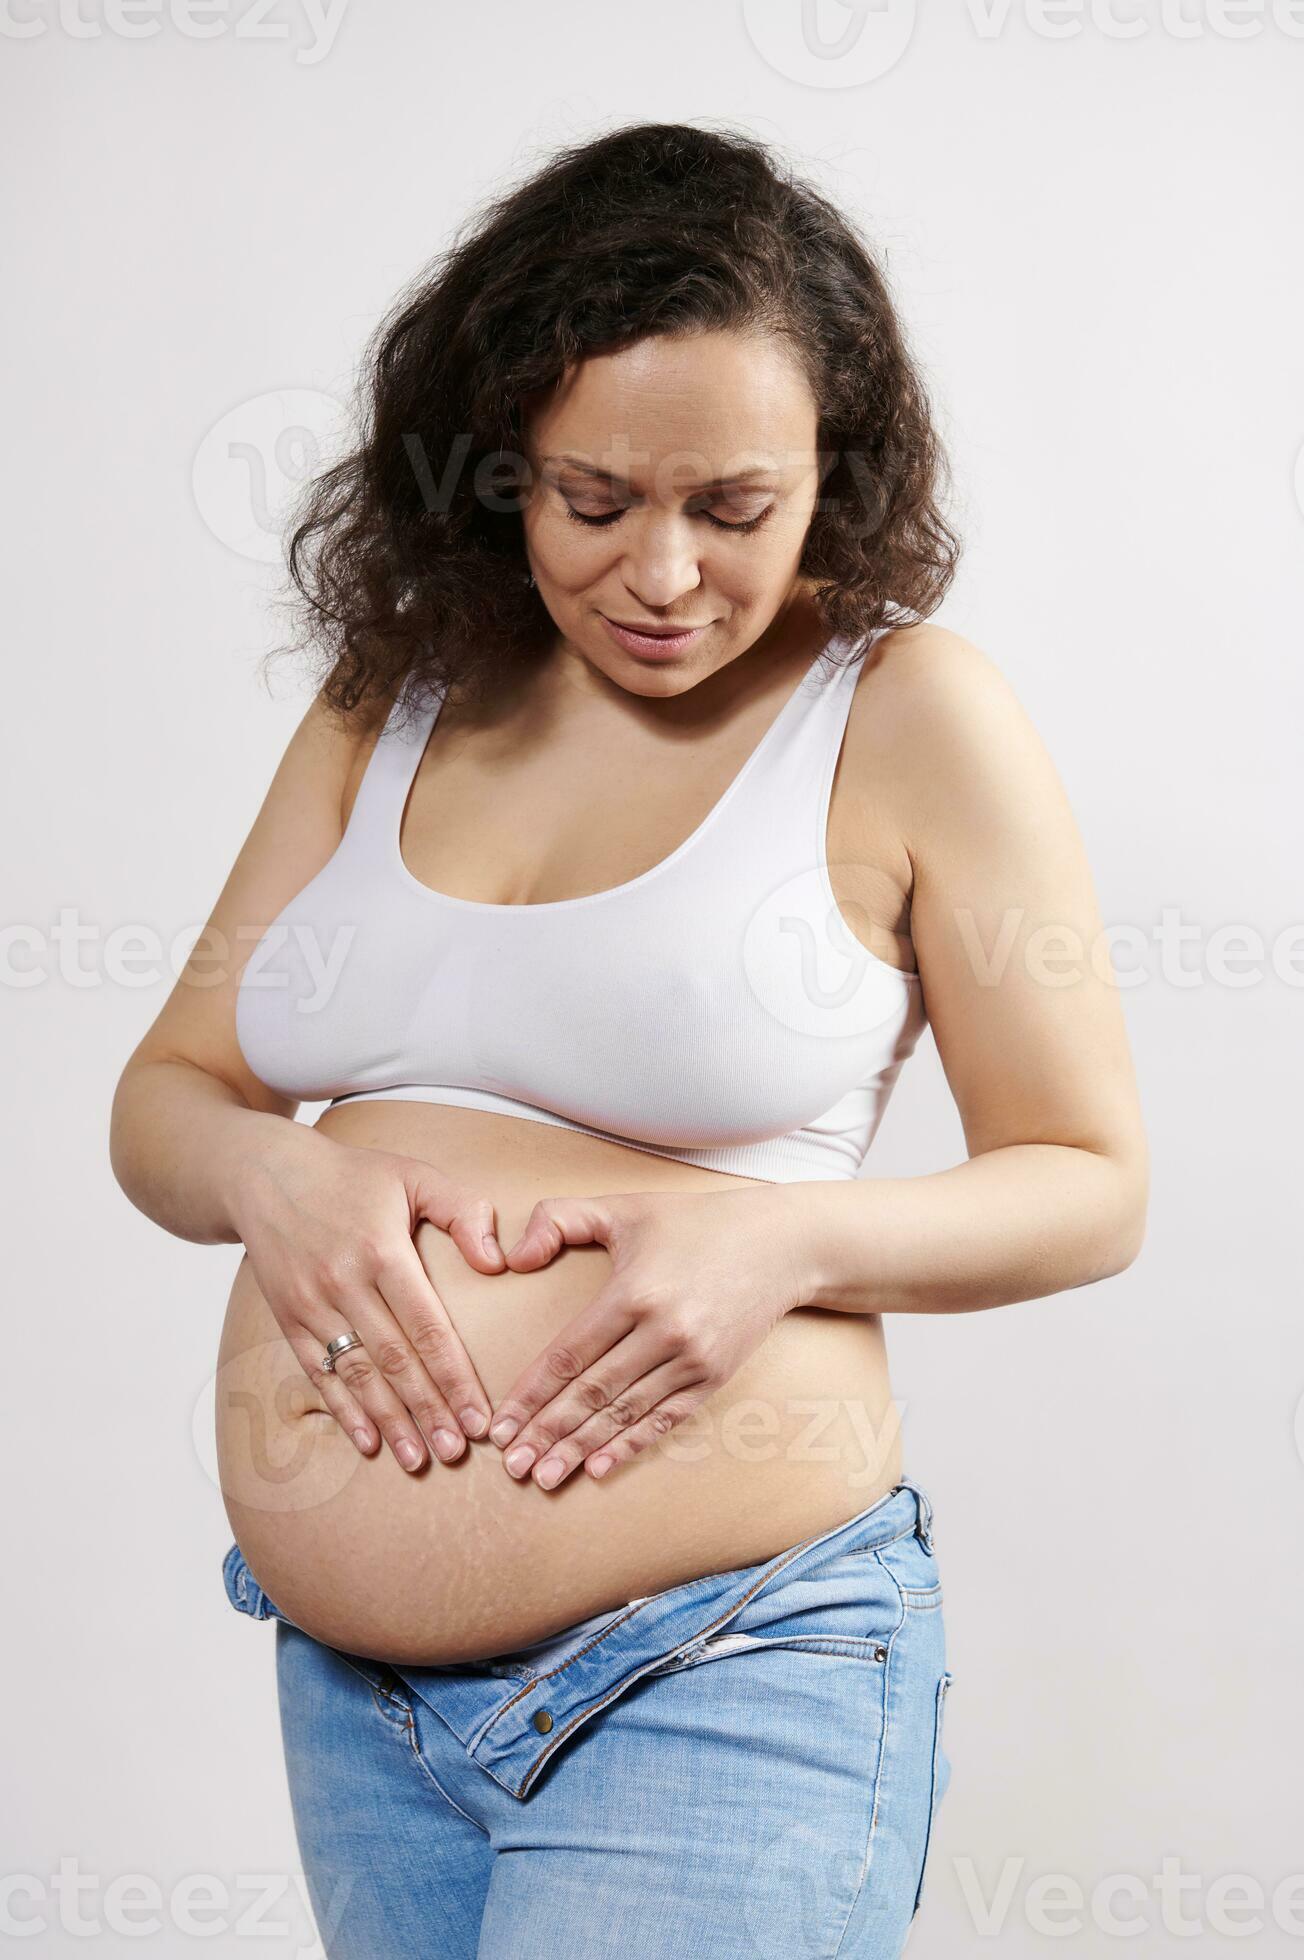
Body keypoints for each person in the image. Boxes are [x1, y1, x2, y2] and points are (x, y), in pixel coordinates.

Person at [110, 121, 1148, 1958]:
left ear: (835, 475)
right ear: (502, 463)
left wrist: (788, 1236)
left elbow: (1091, 1185)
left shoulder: (906, 715)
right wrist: (276, 1176)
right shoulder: (399, 695)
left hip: (726, 1660)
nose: (664, 574)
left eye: (734, 509)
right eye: (596, 501)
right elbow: (171, 1098)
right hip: (361, 1707)